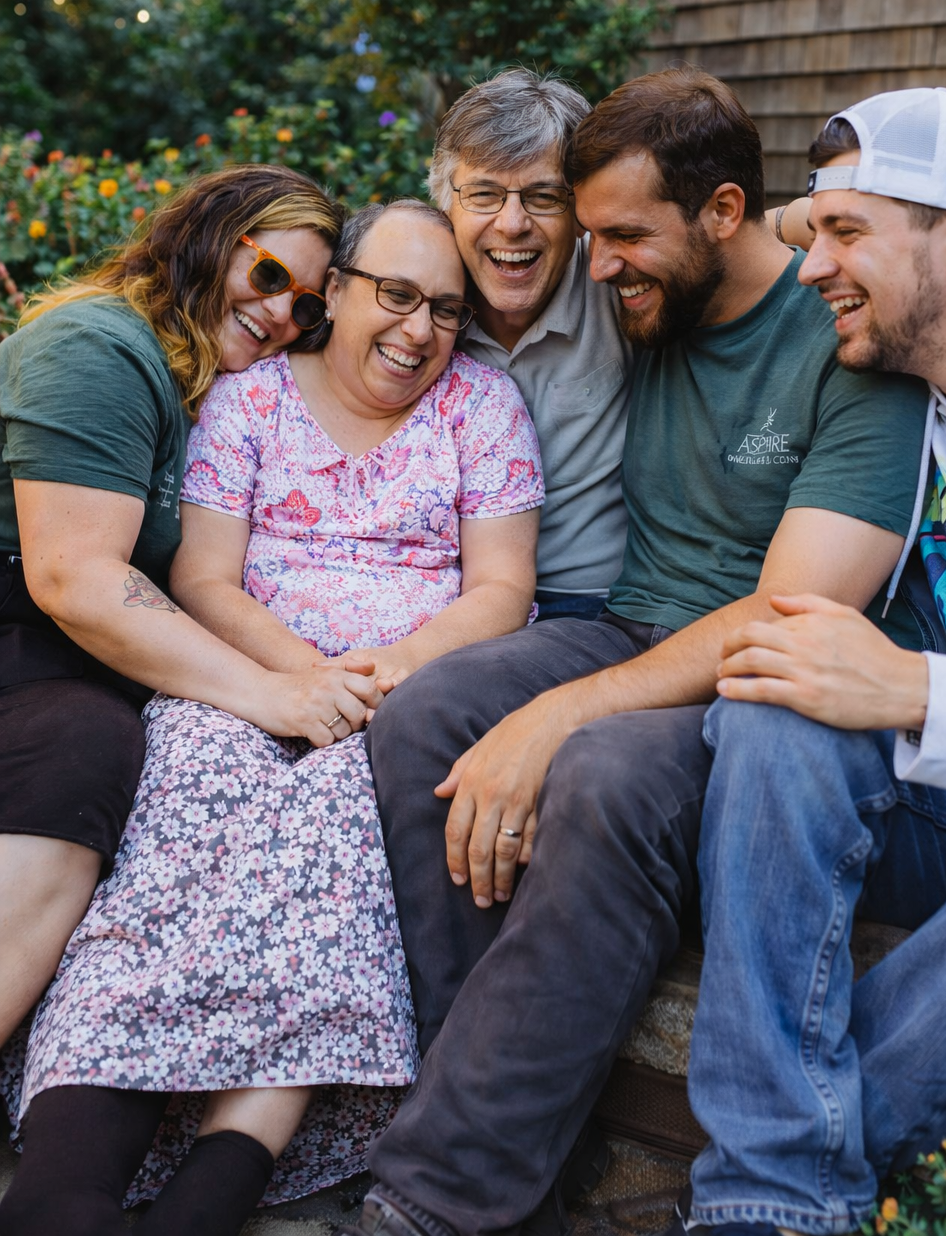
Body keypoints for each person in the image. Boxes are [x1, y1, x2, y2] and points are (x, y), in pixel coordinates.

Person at [356, 66, 933, 1236]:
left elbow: (786, 616)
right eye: (594, 234)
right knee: (424, 718)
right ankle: (508, 1137)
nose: (595, 263)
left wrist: (557, 717)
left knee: (603, 776)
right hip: (620, 624)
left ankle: (439, 1200)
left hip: (755, 683)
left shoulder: (846, 345)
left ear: (720, 215)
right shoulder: (649, 289)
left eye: (622, 238)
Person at [0, 199, 544, 1236]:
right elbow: (204, 576)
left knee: (332, 840)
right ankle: (69, 1176)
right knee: (179, 810)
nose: (419, 328)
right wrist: (302, 679)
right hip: (243, 676)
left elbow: (499, 590)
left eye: (445, 308)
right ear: (334, 295)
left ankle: (212, 1195)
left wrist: (378, 680)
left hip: (395, 699)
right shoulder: (247, 401)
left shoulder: (484, 407)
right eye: (394, 294)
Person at [675, 87, 946, 1236]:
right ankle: (775, 1196)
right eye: (809, 229)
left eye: (843, 235)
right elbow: (790, 227)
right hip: (918, 807)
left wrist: (915, 688)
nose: (811, 263)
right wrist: (823, 208)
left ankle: (776, 1181)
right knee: (772, 703)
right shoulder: (894, 369)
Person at [0, 164, 372, 1059]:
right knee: (86, 746)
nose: (284, 315)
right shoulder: (98, 345)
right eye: (272, 276)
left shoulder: (199, 382)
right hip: (23, 641)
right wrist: (271, 693)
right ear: (207, 238)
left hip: (57, 662)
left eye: (310, 308)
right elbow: (74, 577)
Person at [430, 69, 634, 620]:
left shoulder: (618, 282)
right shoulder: (413, 302)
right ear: (445, 202)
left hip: (591, 605)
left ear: (581, 210)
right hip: (445, 604)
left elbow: (726, 242)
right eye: (484, 194)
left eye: (544, 196)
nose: (513, 223)